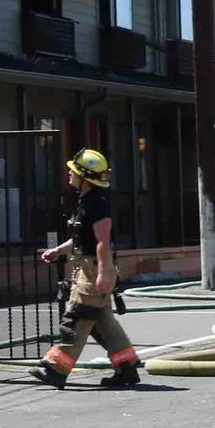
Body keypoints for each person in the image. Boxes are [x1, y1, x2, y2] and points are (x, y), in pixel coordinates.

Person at [34, 148, 141, 389]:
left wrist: (103, 272)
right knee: (104, 323)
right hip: (90, 268)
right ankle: (126, 368)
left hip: (93, 271)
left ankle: (56, 369)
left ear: (85, 176)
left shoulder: (96, 205)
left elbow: (103, 241)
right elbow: (82, 239)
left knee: (77, 319)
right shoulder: (86, 202)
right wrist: (58, 251)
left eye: (74, 171)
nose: (69, 173)